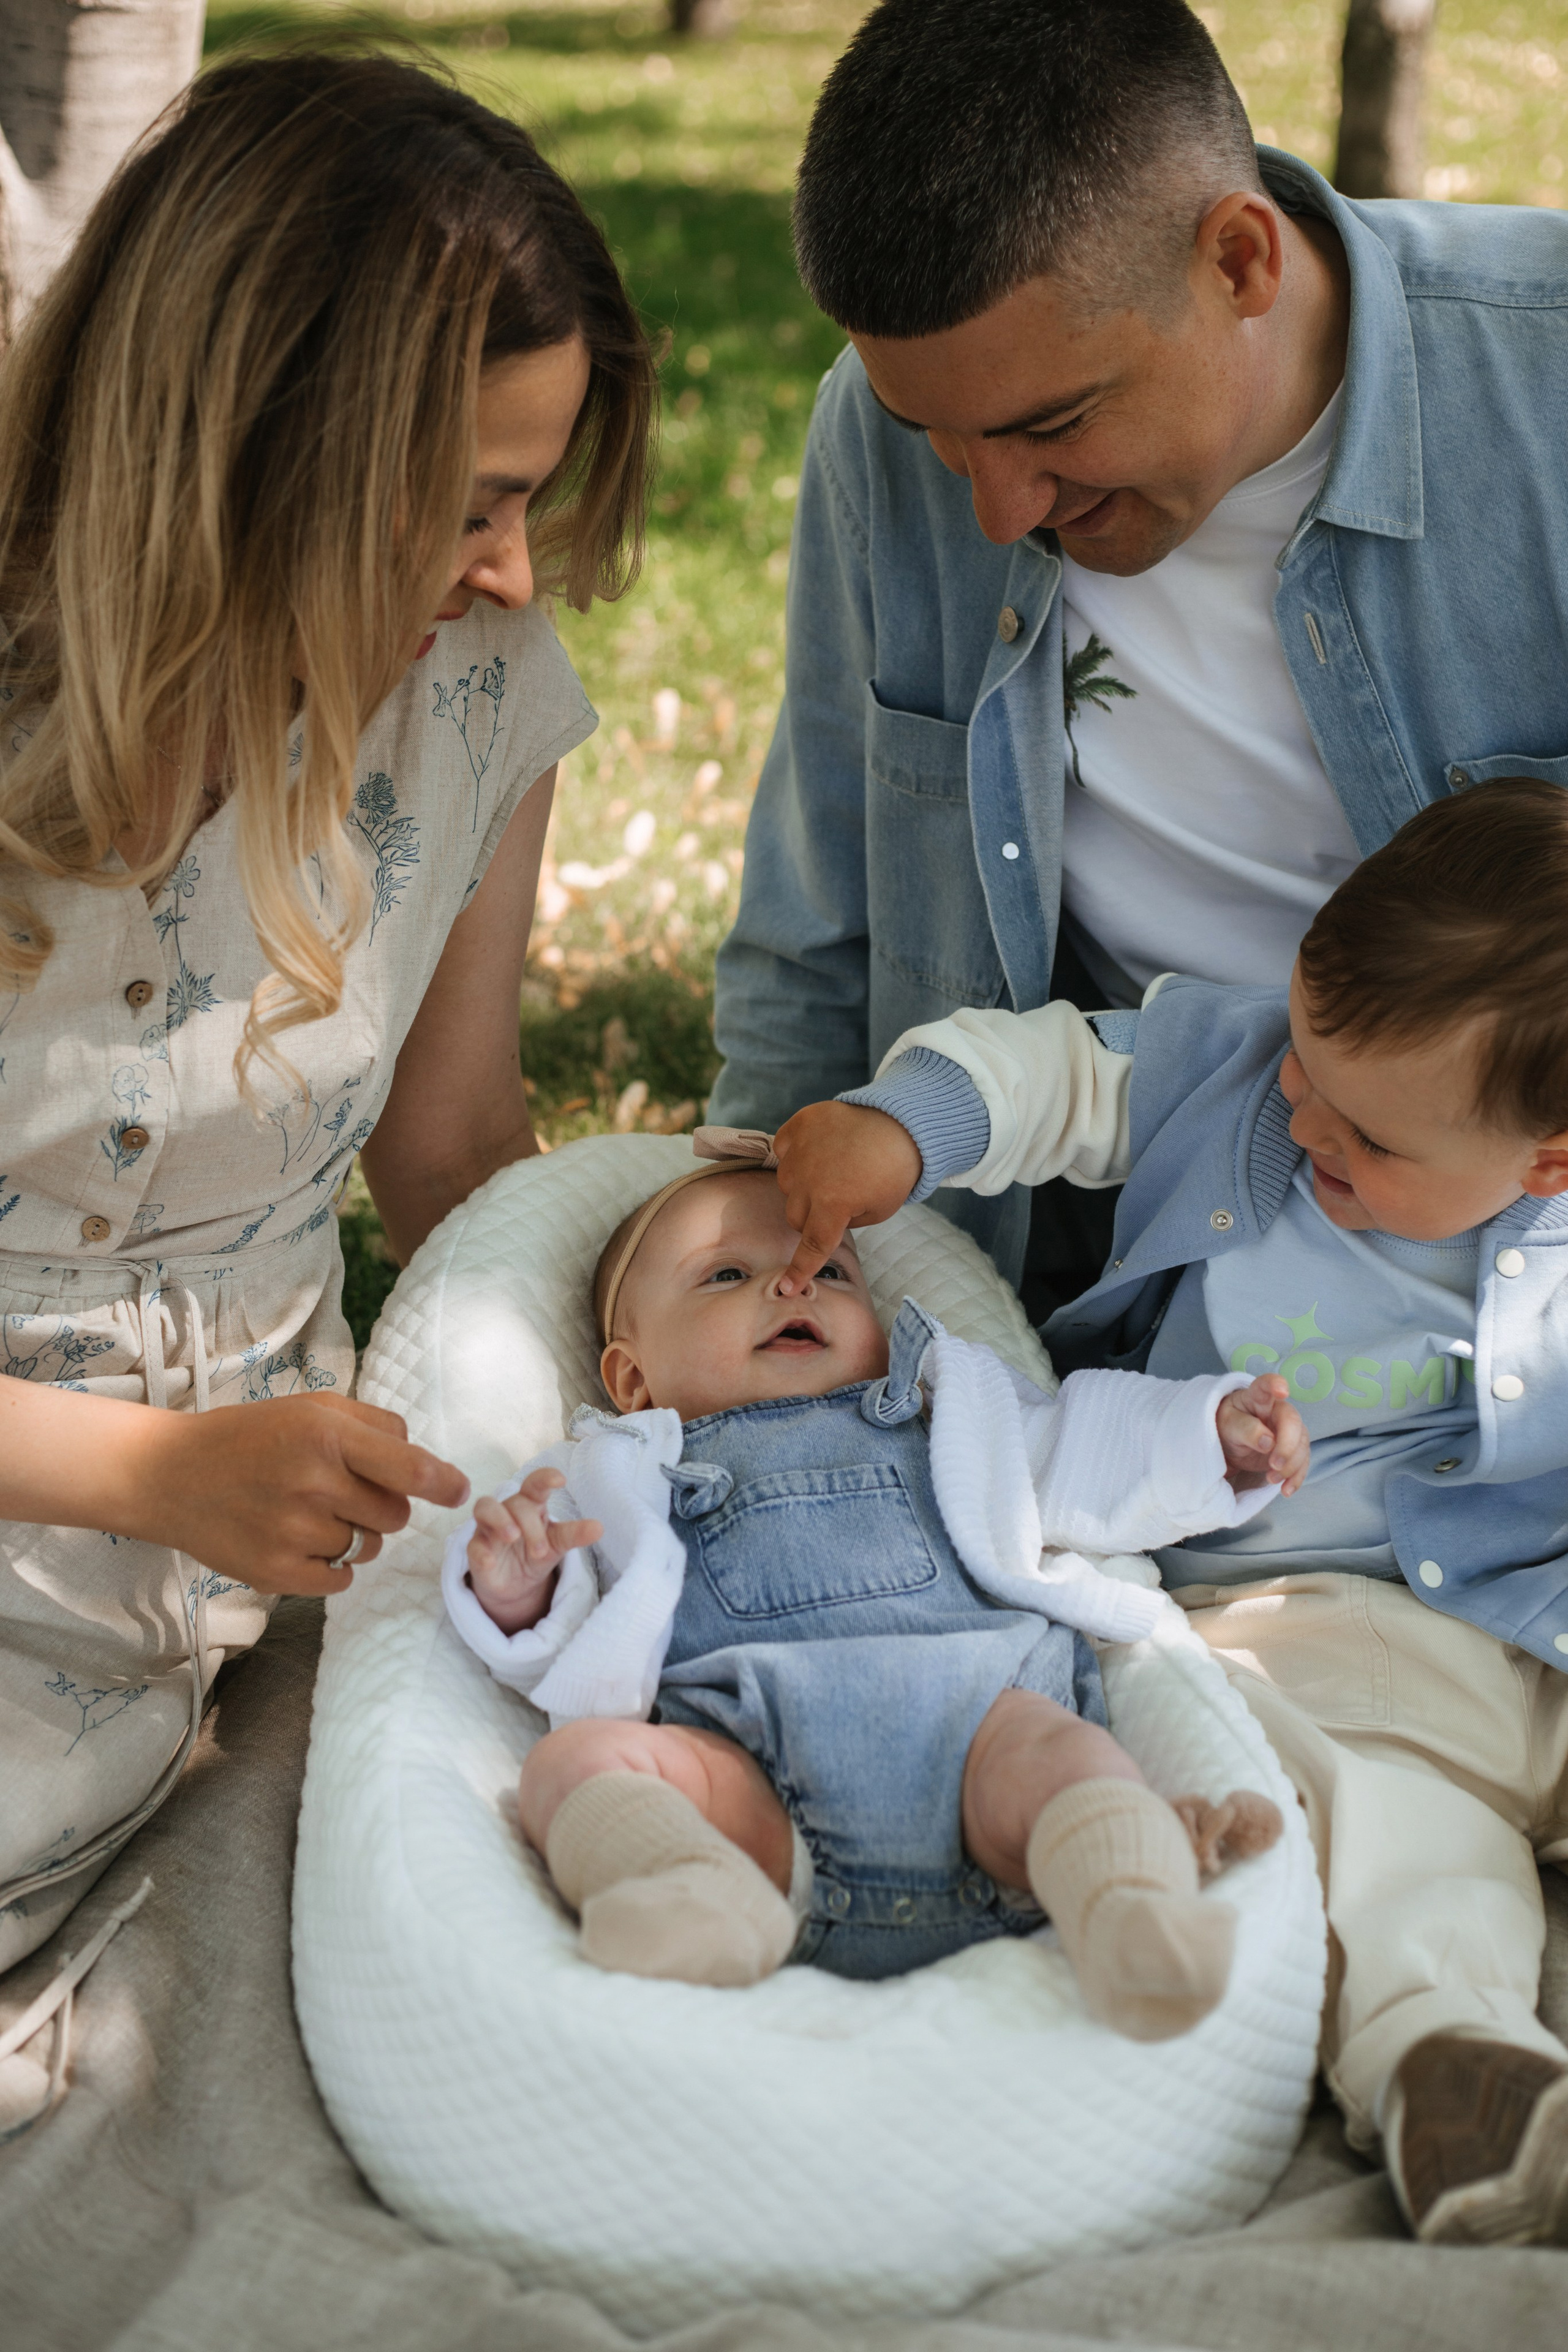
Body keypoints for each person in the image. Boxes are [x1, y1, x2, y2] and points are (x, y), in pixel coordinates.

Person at [0, 45, 657, 1971]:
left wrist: (618, 1423)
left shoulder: (475, 698)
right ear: (254, 457)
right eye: (466, 505)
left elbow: (453, 1142)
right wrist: (153, 1475)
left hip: (246, 1574)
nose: (515, 573)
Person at [771, 776, 1568, 2245]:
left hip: (1544, 1600)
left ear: (1546, 1161)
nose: (1303, 1111)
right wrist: (905, 1129)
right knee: (1389, 1833)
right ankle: (1456, 2066)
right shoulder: (1245, 1079)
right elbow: (1058, 1078)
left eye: (1369, 1138)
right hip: (1339, 1609)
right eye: (1306, 1064)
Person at [707, 0, 1568, 1320]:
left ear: (1237, 261)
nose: (992, 511)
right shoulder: (879, 431)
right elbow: (820, 907)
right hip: (1092, 1249)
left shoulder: (1542, 375)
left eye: (1051, 424)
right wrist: (745, 1236)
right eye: (936, 435)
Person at [445, 1148, 1291, 2031]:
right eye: (728, 1274)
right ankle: (689, 1893)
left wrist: (1206, 1438)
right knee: (571, 1766)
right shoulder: (617, 1474)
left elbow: (1088, 1449)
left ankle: (1130, 1909)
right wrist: (517, 1582)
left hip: (982, 1746)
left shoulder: (951, 1414)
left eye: (831, 1271)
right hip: (754, 1792)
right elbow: (569, 1627)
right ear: (632, 1380)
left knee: (1072, 1760)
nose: (792, 1285)